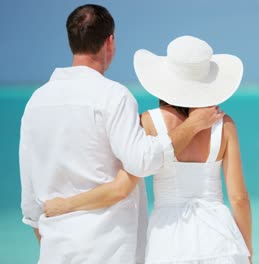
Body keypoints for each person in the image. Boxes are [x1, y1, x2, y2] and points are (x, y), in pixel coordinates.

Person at [19, 5, 223, 264]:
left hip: (55, 249)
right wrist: (193, 125)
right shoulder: (114, 96)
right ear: (110, 42)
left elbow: (30, 201)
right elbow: (142, 161)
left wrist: (55, 241)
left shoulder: (36, 102)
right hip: (109, 249)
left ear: (71, 41)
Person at [44, 36, 253, 263]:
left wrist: (67, 204)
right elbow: (239, 198)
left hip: (168, 238)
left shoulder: (149, 123)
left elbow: (121, 188)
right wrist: (247, 252)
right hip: (220, 239)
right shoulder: (225, 126)